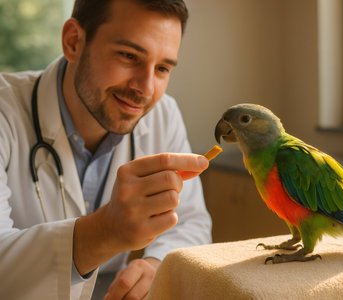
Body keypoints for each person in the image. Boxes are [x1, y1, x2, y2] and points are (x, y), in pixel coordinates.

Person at [0, 0, 212, 299]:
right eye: (129, 55)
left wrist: (156, 264)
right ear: (73, 41)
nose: (146, 88)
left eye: (162, 68)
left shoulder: (163, 114)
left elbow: (191, 222)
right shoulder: (4, 113)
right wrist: (105, 232)